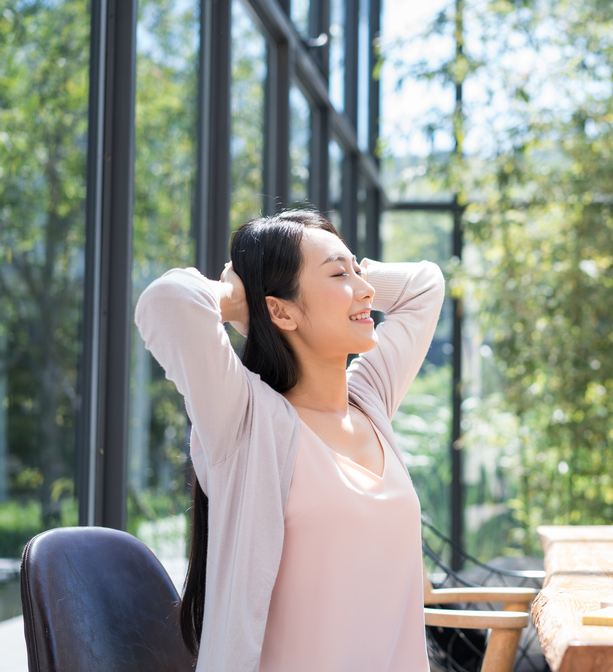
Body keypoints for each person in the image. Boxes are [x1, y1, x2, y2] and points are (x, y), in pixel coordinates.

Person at [135, 210, 444, 671]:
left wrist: (356, 272)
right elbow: (167, 301)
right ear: (280, 309)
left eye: (357, 272)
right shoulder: (247, 422)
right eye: (339, 275)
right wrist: (238, 299)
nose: (367, 291)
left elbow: (426, 286)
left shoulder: (369, 400)